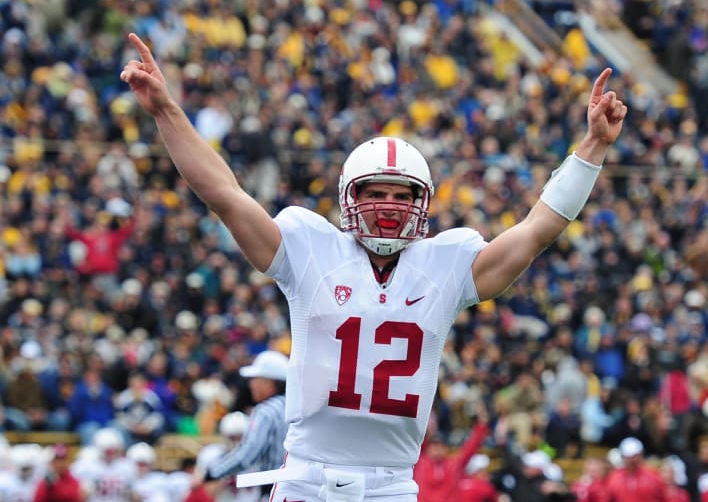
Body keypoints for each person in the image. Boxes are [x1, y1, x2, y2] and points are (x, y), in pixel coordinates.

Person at [121, 32, 627, 502]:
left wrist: (592, 149)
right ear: (349, 198)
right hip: (306, 479)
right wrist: (167, 111)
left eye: (401, 194)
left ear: (423, 202)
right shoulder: (309, 248)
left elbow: (539, 228)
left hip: (390, 486)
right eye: (375, 193)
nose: (388, 205)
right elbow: (224, 195)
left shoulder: (446, 264)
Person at [199, 350, 289, 502]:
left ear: (269, 382)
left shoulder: (266, 410)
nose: (251, 384)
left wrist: (213, 472)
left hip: (275, 488)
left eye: (255, 379)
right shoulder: (295, 407)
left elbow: (246, 456)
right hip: (298, 487)